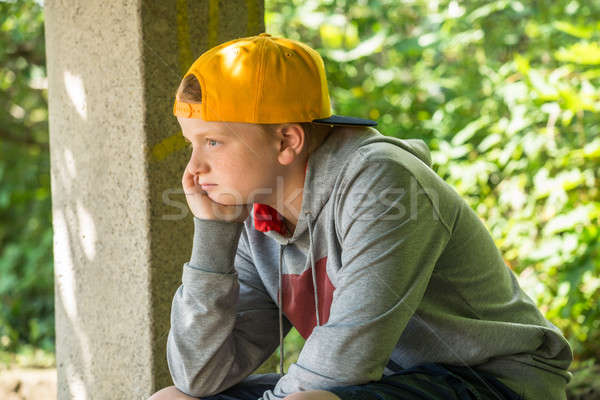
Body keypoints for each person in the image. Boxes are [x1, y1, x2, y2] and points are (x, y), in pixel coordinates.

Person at [148, 33, 573, 400]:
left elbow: (341, 365)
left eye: (213, 143)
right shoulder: (258, 213)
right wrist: (213, 232)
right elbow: (198, 375)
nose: (193, 170)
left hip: (493, 381)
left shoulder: (385, 184)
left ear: (287, 141)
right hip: (379, 384)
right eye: (192, 144)